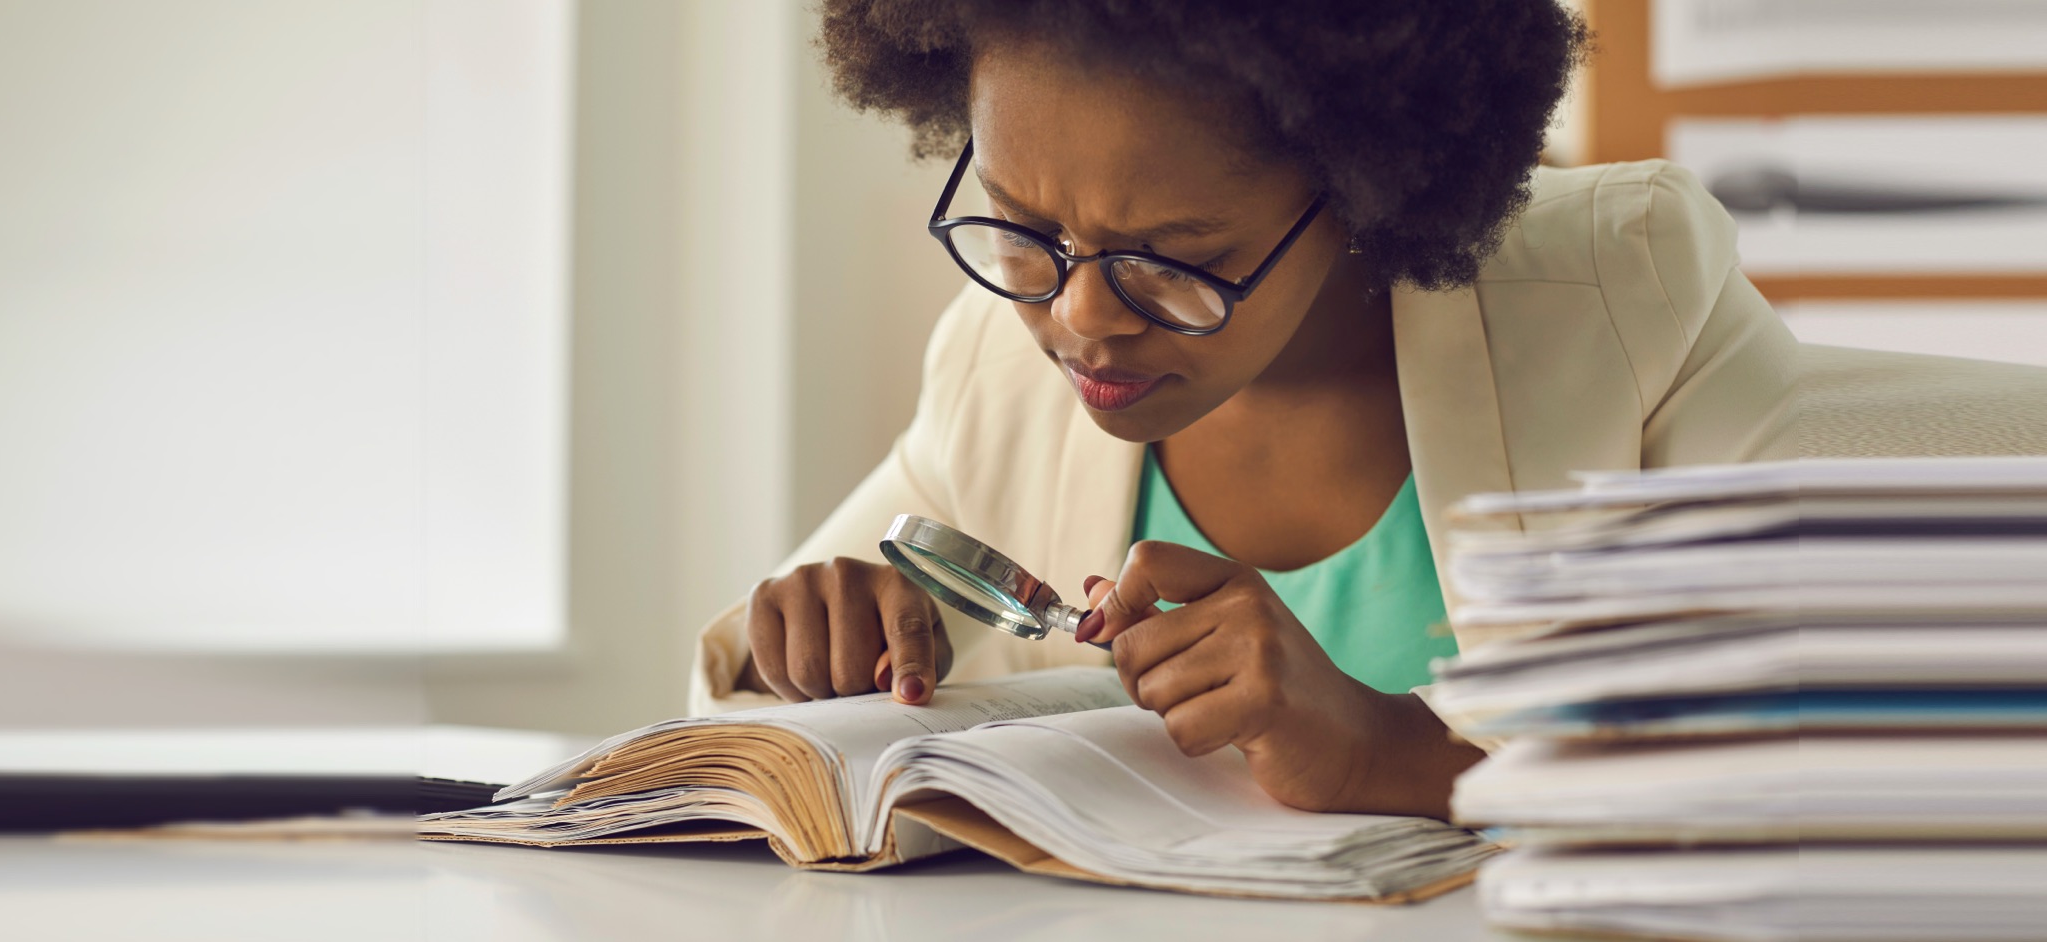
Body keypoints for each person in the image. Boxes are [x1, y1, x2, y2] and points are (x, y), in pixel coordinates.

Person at [691, 0, 1795, 819]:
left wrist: (1387, 755)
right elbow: (742, 717)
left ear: (1375, 184)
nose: (1080, 318)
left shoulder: (1622, 298)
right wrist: (809, 647)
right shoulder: (994, 358)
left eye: (1177, 259)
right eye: (1022, 224)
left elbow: (1800, 771)